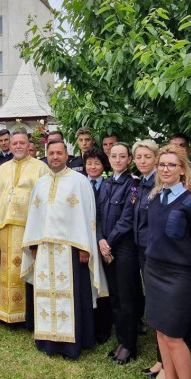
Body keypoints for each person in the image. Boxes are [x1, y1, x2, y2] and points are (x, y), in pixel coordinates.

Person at [21, 140, 107, 359]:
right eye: (51, 153)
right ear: (47, 155)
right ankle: (47, 341)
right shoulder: (40, 183)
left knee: (73, 296)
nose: (55, 157)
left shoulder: (79, 181)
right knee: (45, 295)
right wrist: (33, 245)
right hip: (44, 249)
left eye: (59, 153)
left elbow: (88, 217)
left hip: (71, 250)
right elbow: (34, 216)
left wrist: (85, 249)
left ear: (67, 155)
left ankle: (73, 344)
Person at [144, 144, 191, 379]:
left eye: (172, 165)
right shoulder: (154, 197)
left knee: (173, 336)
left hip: (179, 276)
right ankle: (168, 374)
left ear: (182, 169)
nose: (166, 169)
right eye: (162, 165)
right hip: (153, 272)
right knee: (160, 332)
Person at [0, 131, 48, 327]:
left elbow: (44, 202)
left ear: (29, 146)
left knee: (25, 268)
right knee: (6, 270)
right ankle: (6, 312)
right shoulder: (3, 169)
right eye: (14, 143)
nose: (18, 146)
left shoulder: (40, 168)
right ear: (9, 146)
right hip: (5, 227)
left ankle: (26, 315)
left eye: (22, 143)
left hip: (28, 228)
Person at [97, 142, 140, 365]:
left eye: (122, 156)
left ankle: (129, 345)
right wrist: (101, 240)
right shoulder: (105, 183)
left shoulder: (133, 185)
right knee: (114, 296)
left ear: (129, 160)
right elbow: (99, 215)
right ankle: (120, 341)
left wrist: (108, 242)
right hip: (107, 247)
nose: (117, 160)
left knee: (126, 298)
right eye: (114, 156)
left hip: (123, 249)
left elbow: (127, 219)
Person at [129, 139, 162, 378]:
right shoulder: (141, 183)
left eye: (147, 157)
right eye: (138, 157)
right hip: (141, 250)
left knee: (159, 305)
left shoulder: (160, 184)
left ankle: (164, 360)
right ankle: (163, 358)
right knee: (153, 301)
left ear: (156, 158)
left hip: (156, 252)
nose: (142, 161)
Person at [83, 147, 112, 345]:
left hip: (104, 240)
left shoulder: (109, 185)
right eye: (89, 163)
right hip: (84, 239)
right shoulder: (79, 184)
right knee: (88, 282)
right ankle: (89, 323)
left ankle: (105, 325)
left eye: (97, 163)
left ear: (103, 165)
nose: (92, 167)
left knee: (104, 282)